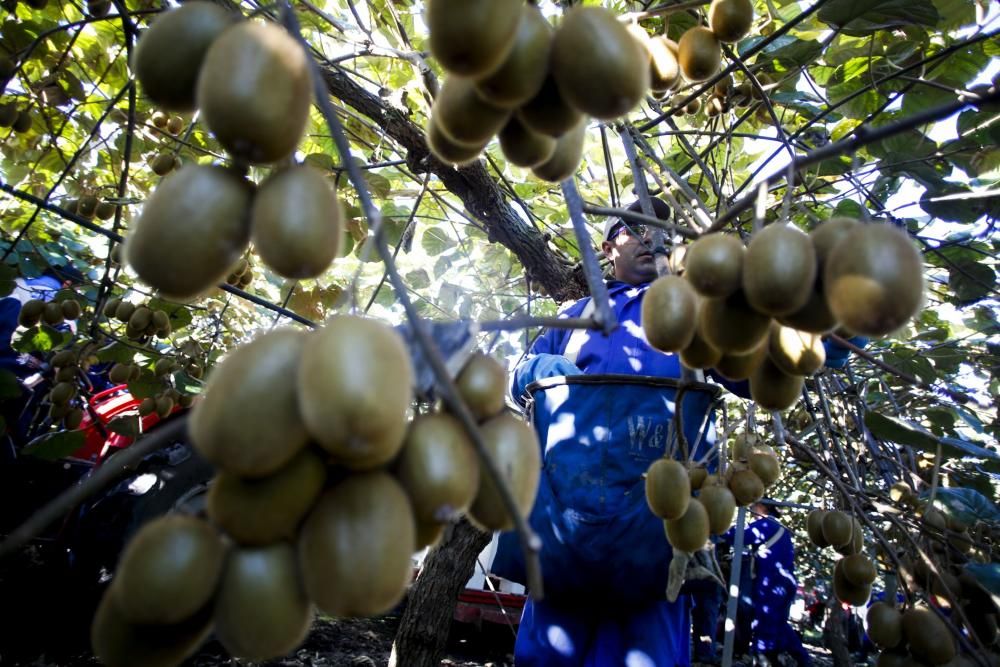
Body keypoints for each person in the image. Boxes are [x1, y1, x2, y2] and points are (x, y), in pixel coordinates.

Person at [493, 198, 746, 667]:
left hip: (657, 528)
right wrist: (536, 368)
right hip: (567, 527)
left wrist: (824, 334)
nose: (655, 236)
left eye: (662, 228)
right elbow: (515, 376)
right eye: (637, 228)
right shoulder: (574, 314)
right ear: (609, 248)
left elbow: (752, 374)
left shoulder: (693, 316)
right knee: (547, 657)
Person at [723, 502, 810, 667]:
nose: (751, 509)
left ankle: (763, 658)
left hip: (772, 582)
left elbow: (738, 536)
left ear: (763, 507)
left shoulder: (764, 525)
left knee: (765, 621)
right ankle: (801, 659)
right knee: (779, 624)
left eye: (754, 506)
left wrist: (715, 528)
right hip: (786, 582)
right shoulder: (779, 528)